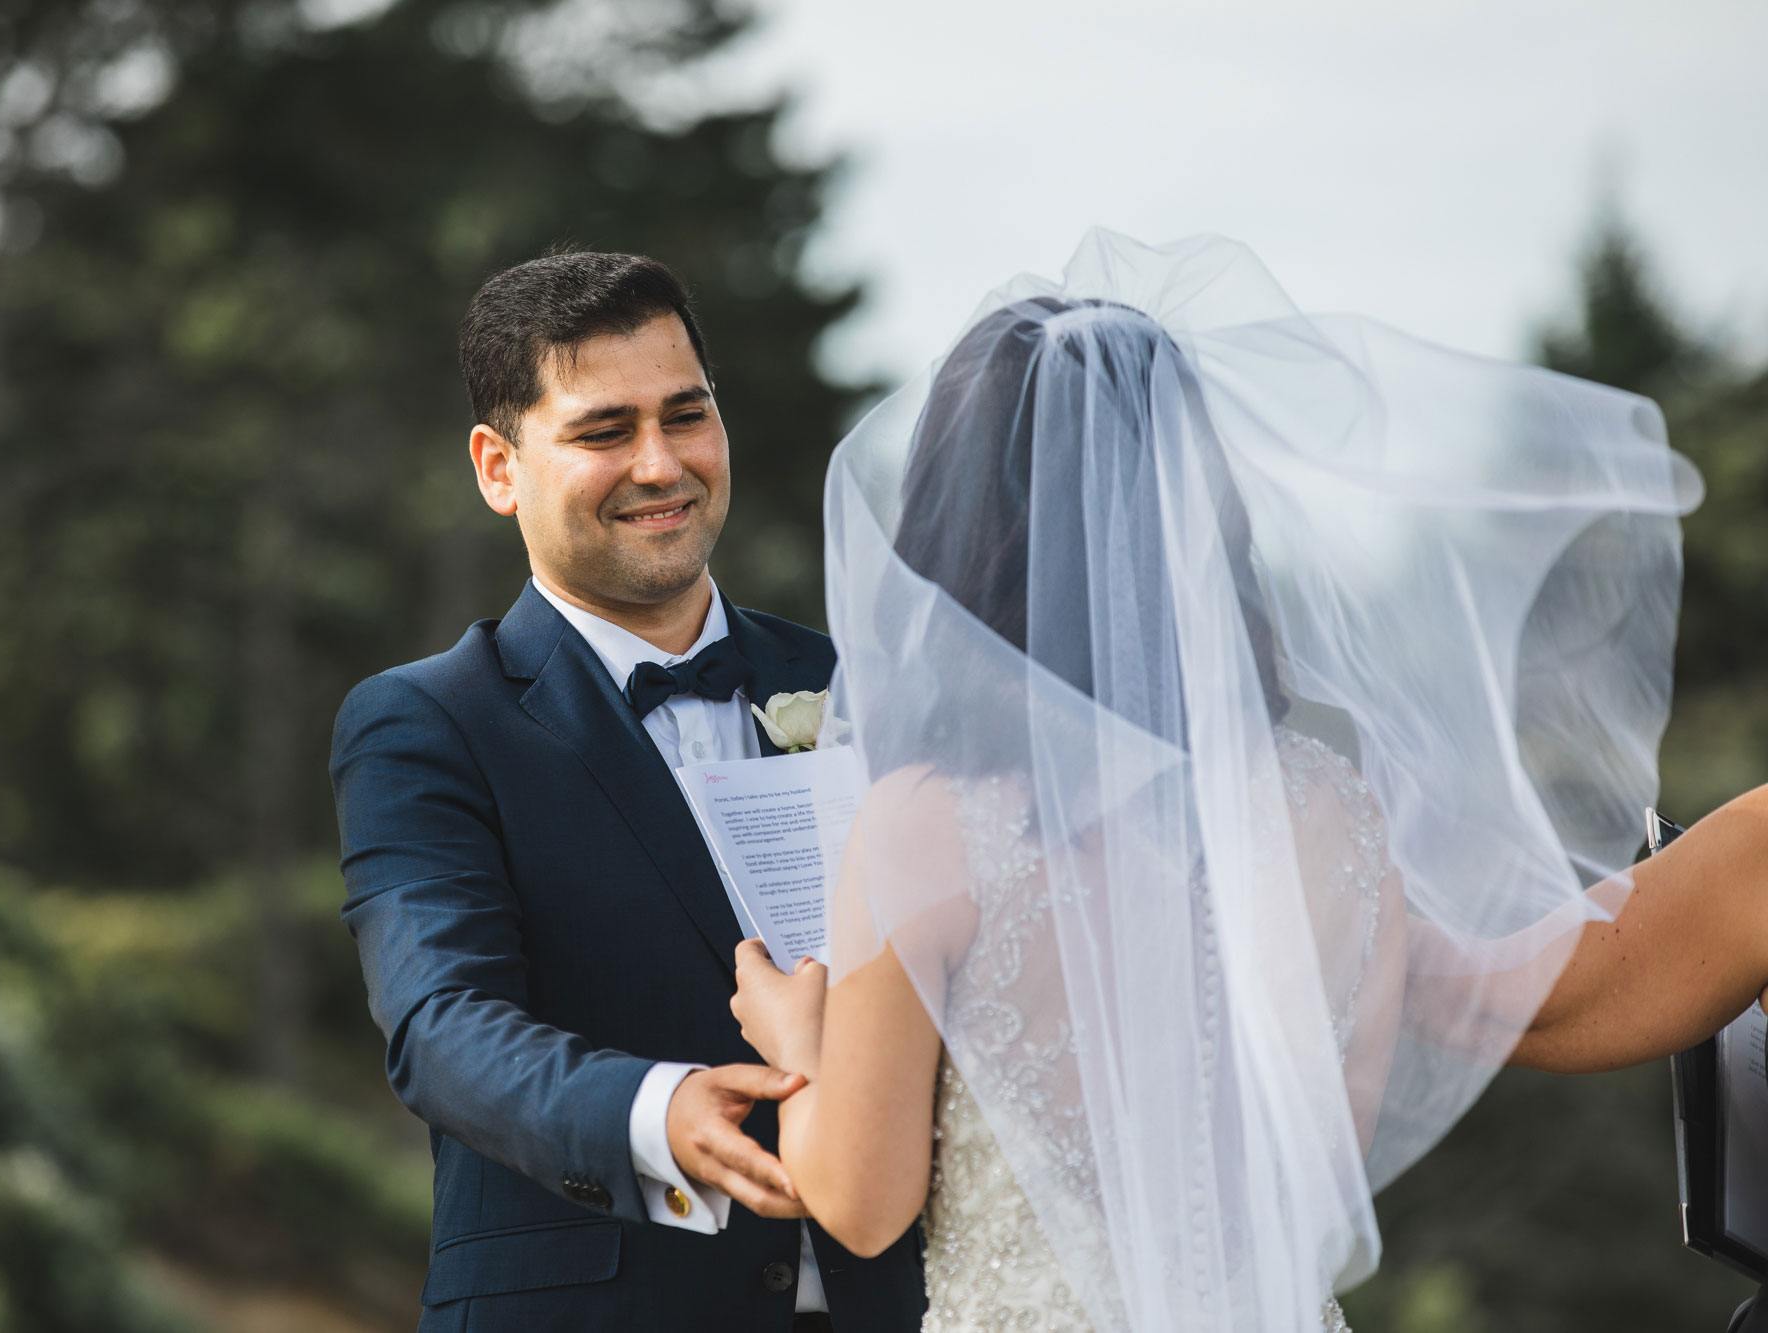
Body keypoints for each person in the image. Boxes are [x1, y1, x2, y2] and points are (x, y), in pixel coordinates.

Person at [730, 228, 1738, 1332]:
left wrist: (799, 1041)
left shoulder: (921, 827)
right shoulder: (1327, 810)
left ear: (958, 529)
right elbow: (1323, 1178)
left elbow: (862, 1208)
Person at [330, 251, 925, 1333]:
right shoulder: (425, 723)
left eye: (686, 416)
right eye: (605, 432)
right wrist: (653, 1110)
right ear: (497, 466)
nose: (661, 463)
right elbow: (440, 1024)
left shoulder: (863, 690)